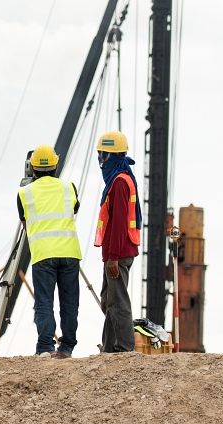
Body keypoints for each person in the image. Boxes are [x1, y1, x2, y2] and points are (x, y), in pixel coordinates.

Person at [17, 144, 81, 358]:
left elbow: (25, 224)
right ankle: (67, 348)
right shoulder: (68, 187)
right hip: (69, 252)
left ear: (32, 168)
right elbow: (74, 210)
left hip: (43, 254)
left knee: (44, 302)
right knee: (69, 302)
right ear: (56, 165)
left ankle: (45, 347)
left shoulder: (24, 193)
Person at [93, 131, 141, 353]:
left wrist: (113, 257)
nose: (100, 159)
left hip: (118, 253)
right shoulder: (118, 179)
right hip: (115, 252)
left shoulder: (120, 182)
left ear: (108, 156)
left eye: (102, 154)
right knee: (109, 300)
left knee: (117, 301)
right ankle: (110, 347)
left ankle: (124, 347)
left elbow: (120, 222)